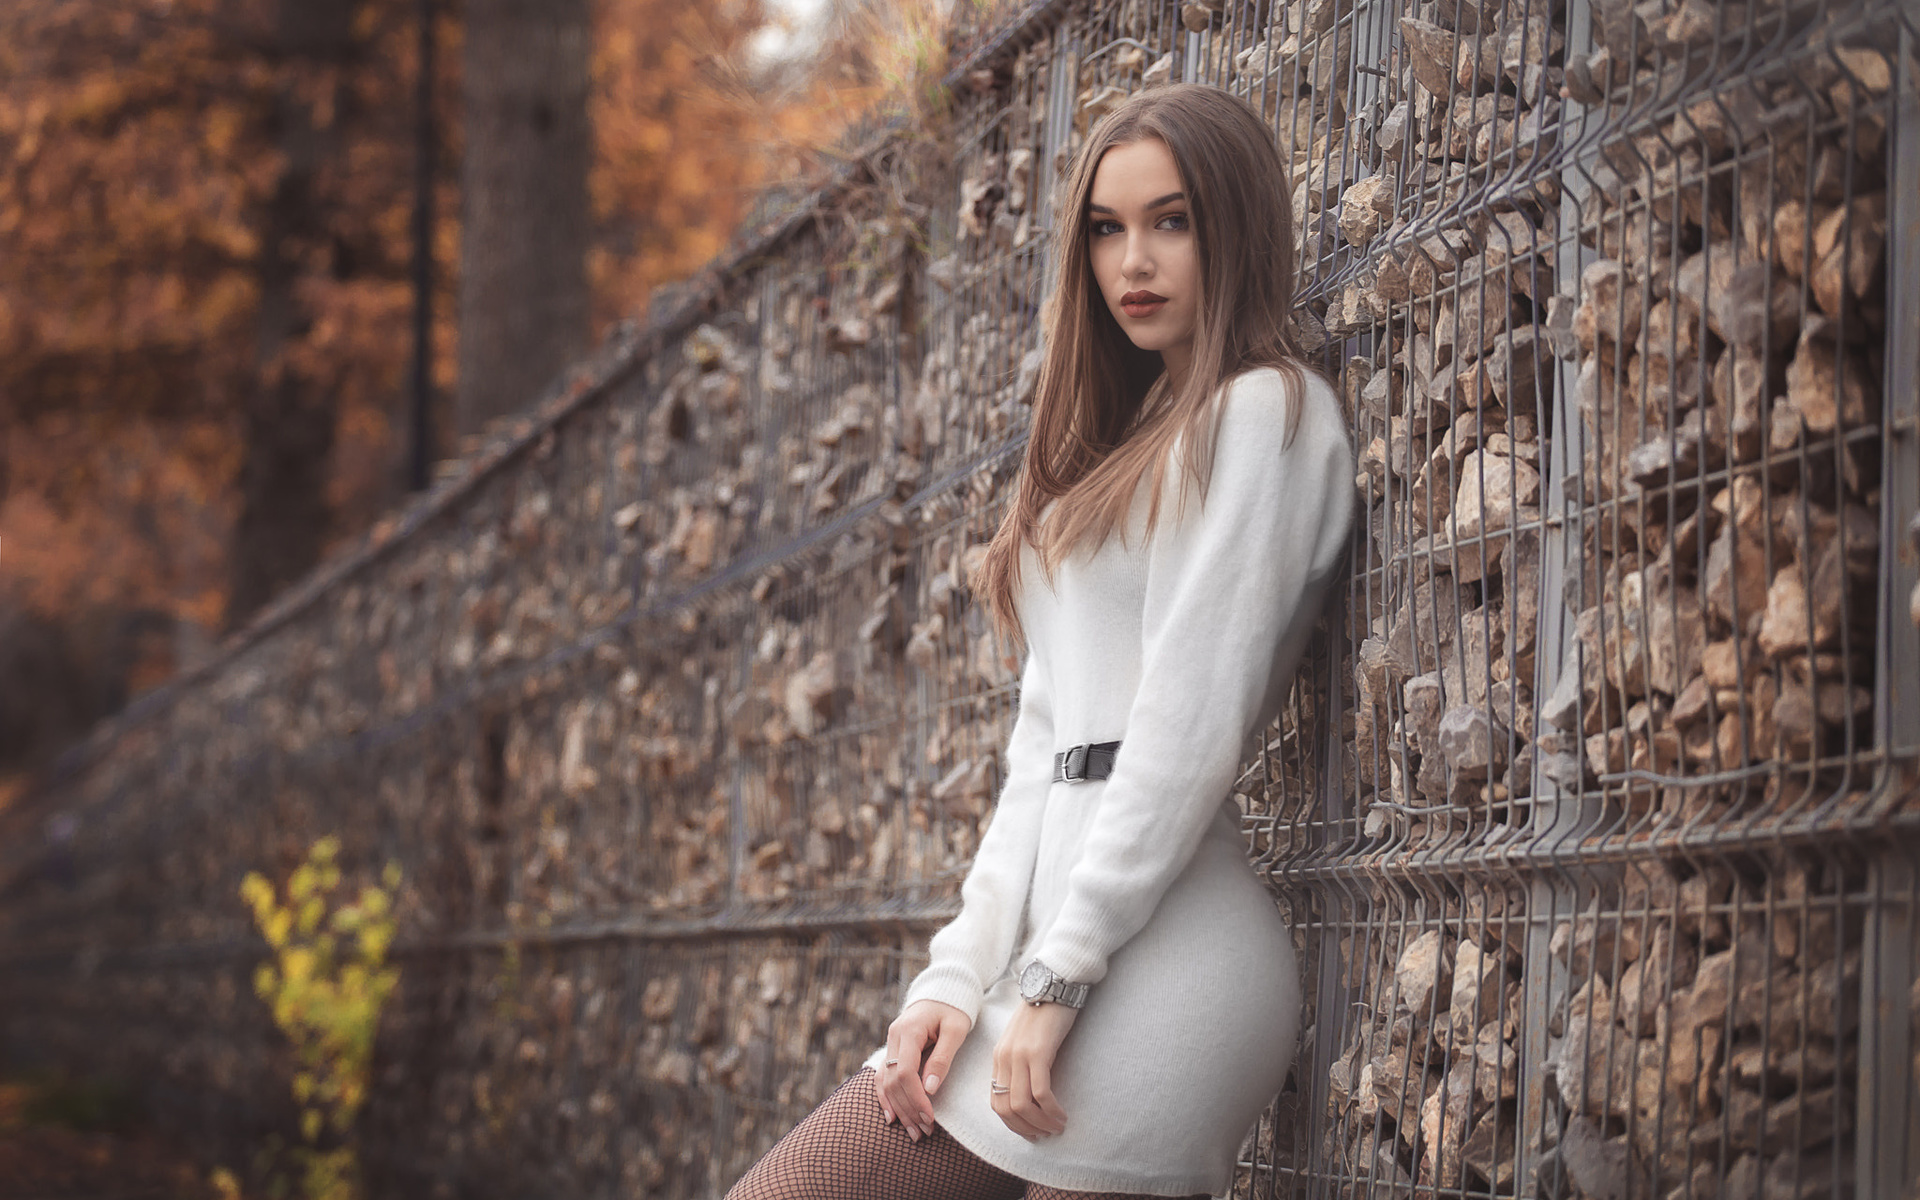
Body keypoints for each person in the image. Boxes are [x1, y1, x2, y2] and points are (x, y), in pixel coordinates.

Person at [726, 81, 1355, 1200]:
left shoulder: (1266, 415)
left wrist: (1060, 976)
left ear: (1237, 226)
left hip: (1165, 961)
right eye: (1108, 229)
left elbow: (1186, 724)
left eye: (1173, 221)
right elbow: (1042, 756)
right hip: (1057, 942)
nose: (1134, 263)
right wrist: (956, 980)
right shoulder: (1117, 454)